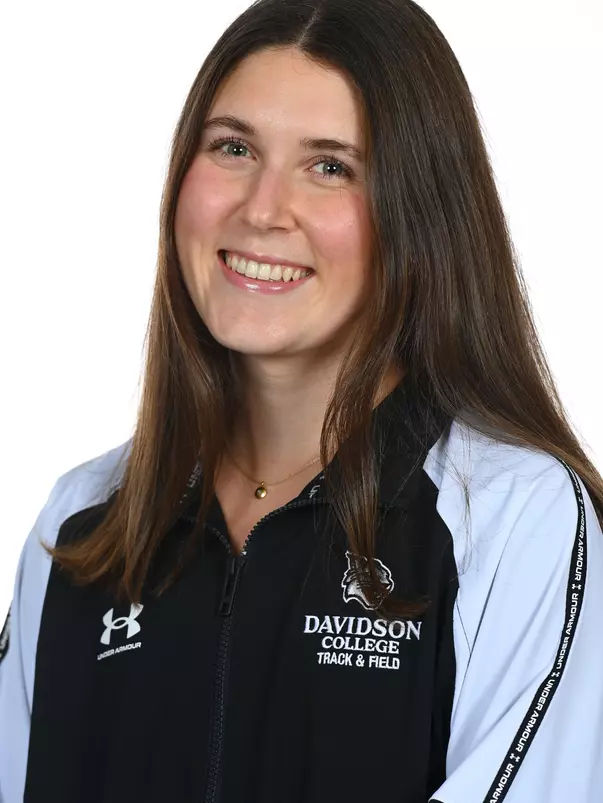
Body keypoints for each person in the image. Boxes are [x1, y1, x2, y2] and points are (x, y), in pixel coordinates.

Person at [1, 0, 602, 800]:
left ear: (416, 215)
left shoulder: (514, 516)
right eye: (233, 147)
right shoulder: (81, 523)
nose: (260, 209)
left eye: (330, 166)